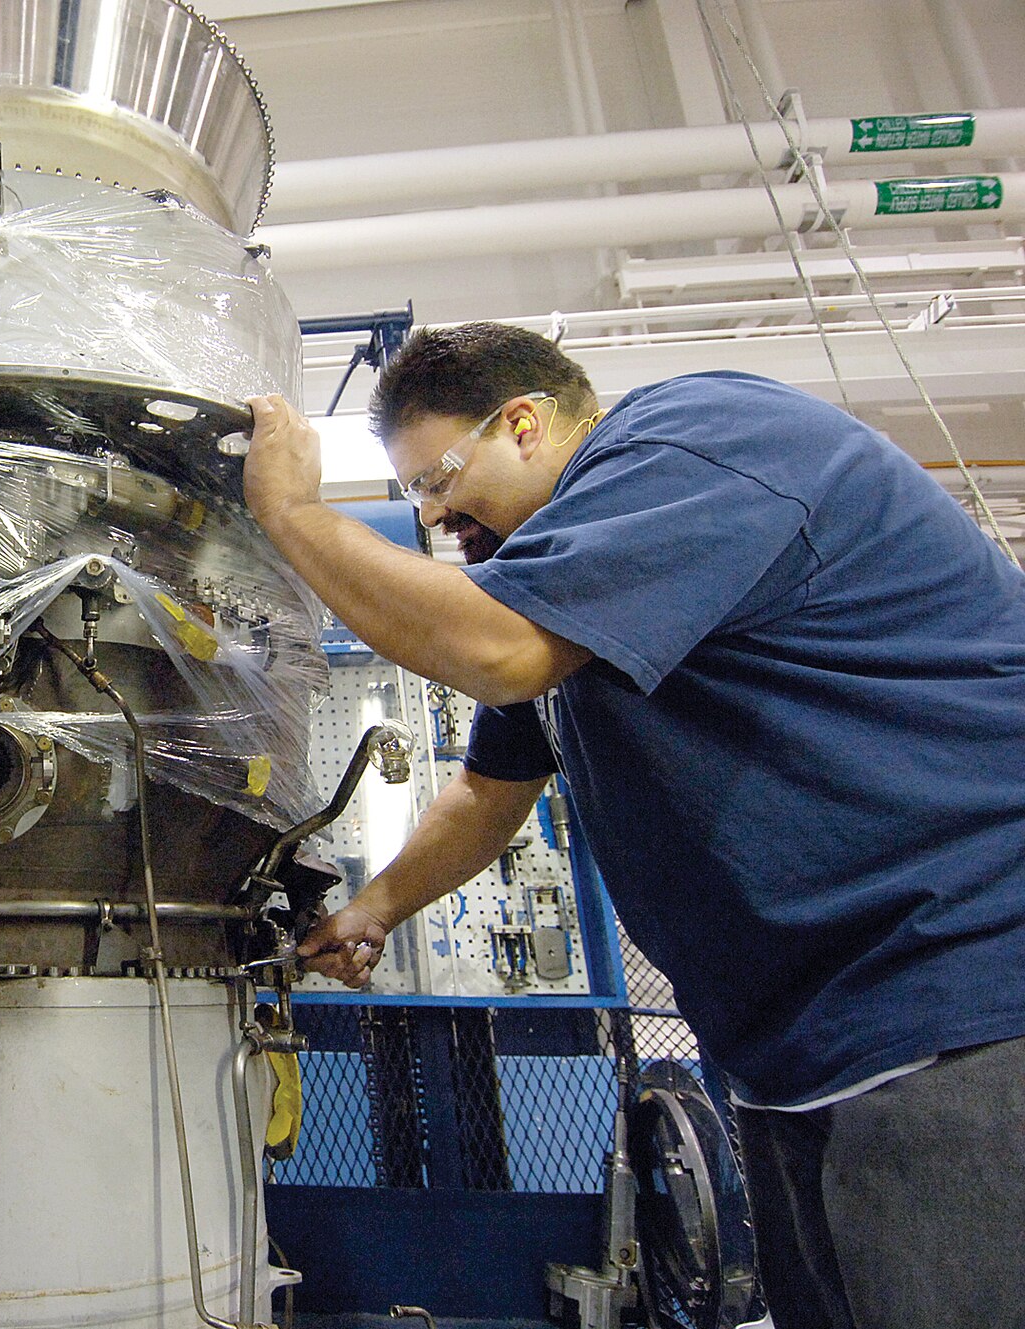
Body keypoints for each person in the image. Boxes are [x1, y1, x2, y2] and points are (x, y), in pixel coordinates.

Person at [242, 322, 1025, 1329]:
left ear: (521, 425)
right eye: (412, 497)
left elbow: (496, 651)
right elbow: (488, 790)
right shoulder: (573, 588)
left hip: (957, 999)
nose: (433, 513)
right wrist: (376, 907)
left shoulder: (698, 444)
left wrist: (292, 512)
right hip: (796, 1047)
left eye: (436, 478)